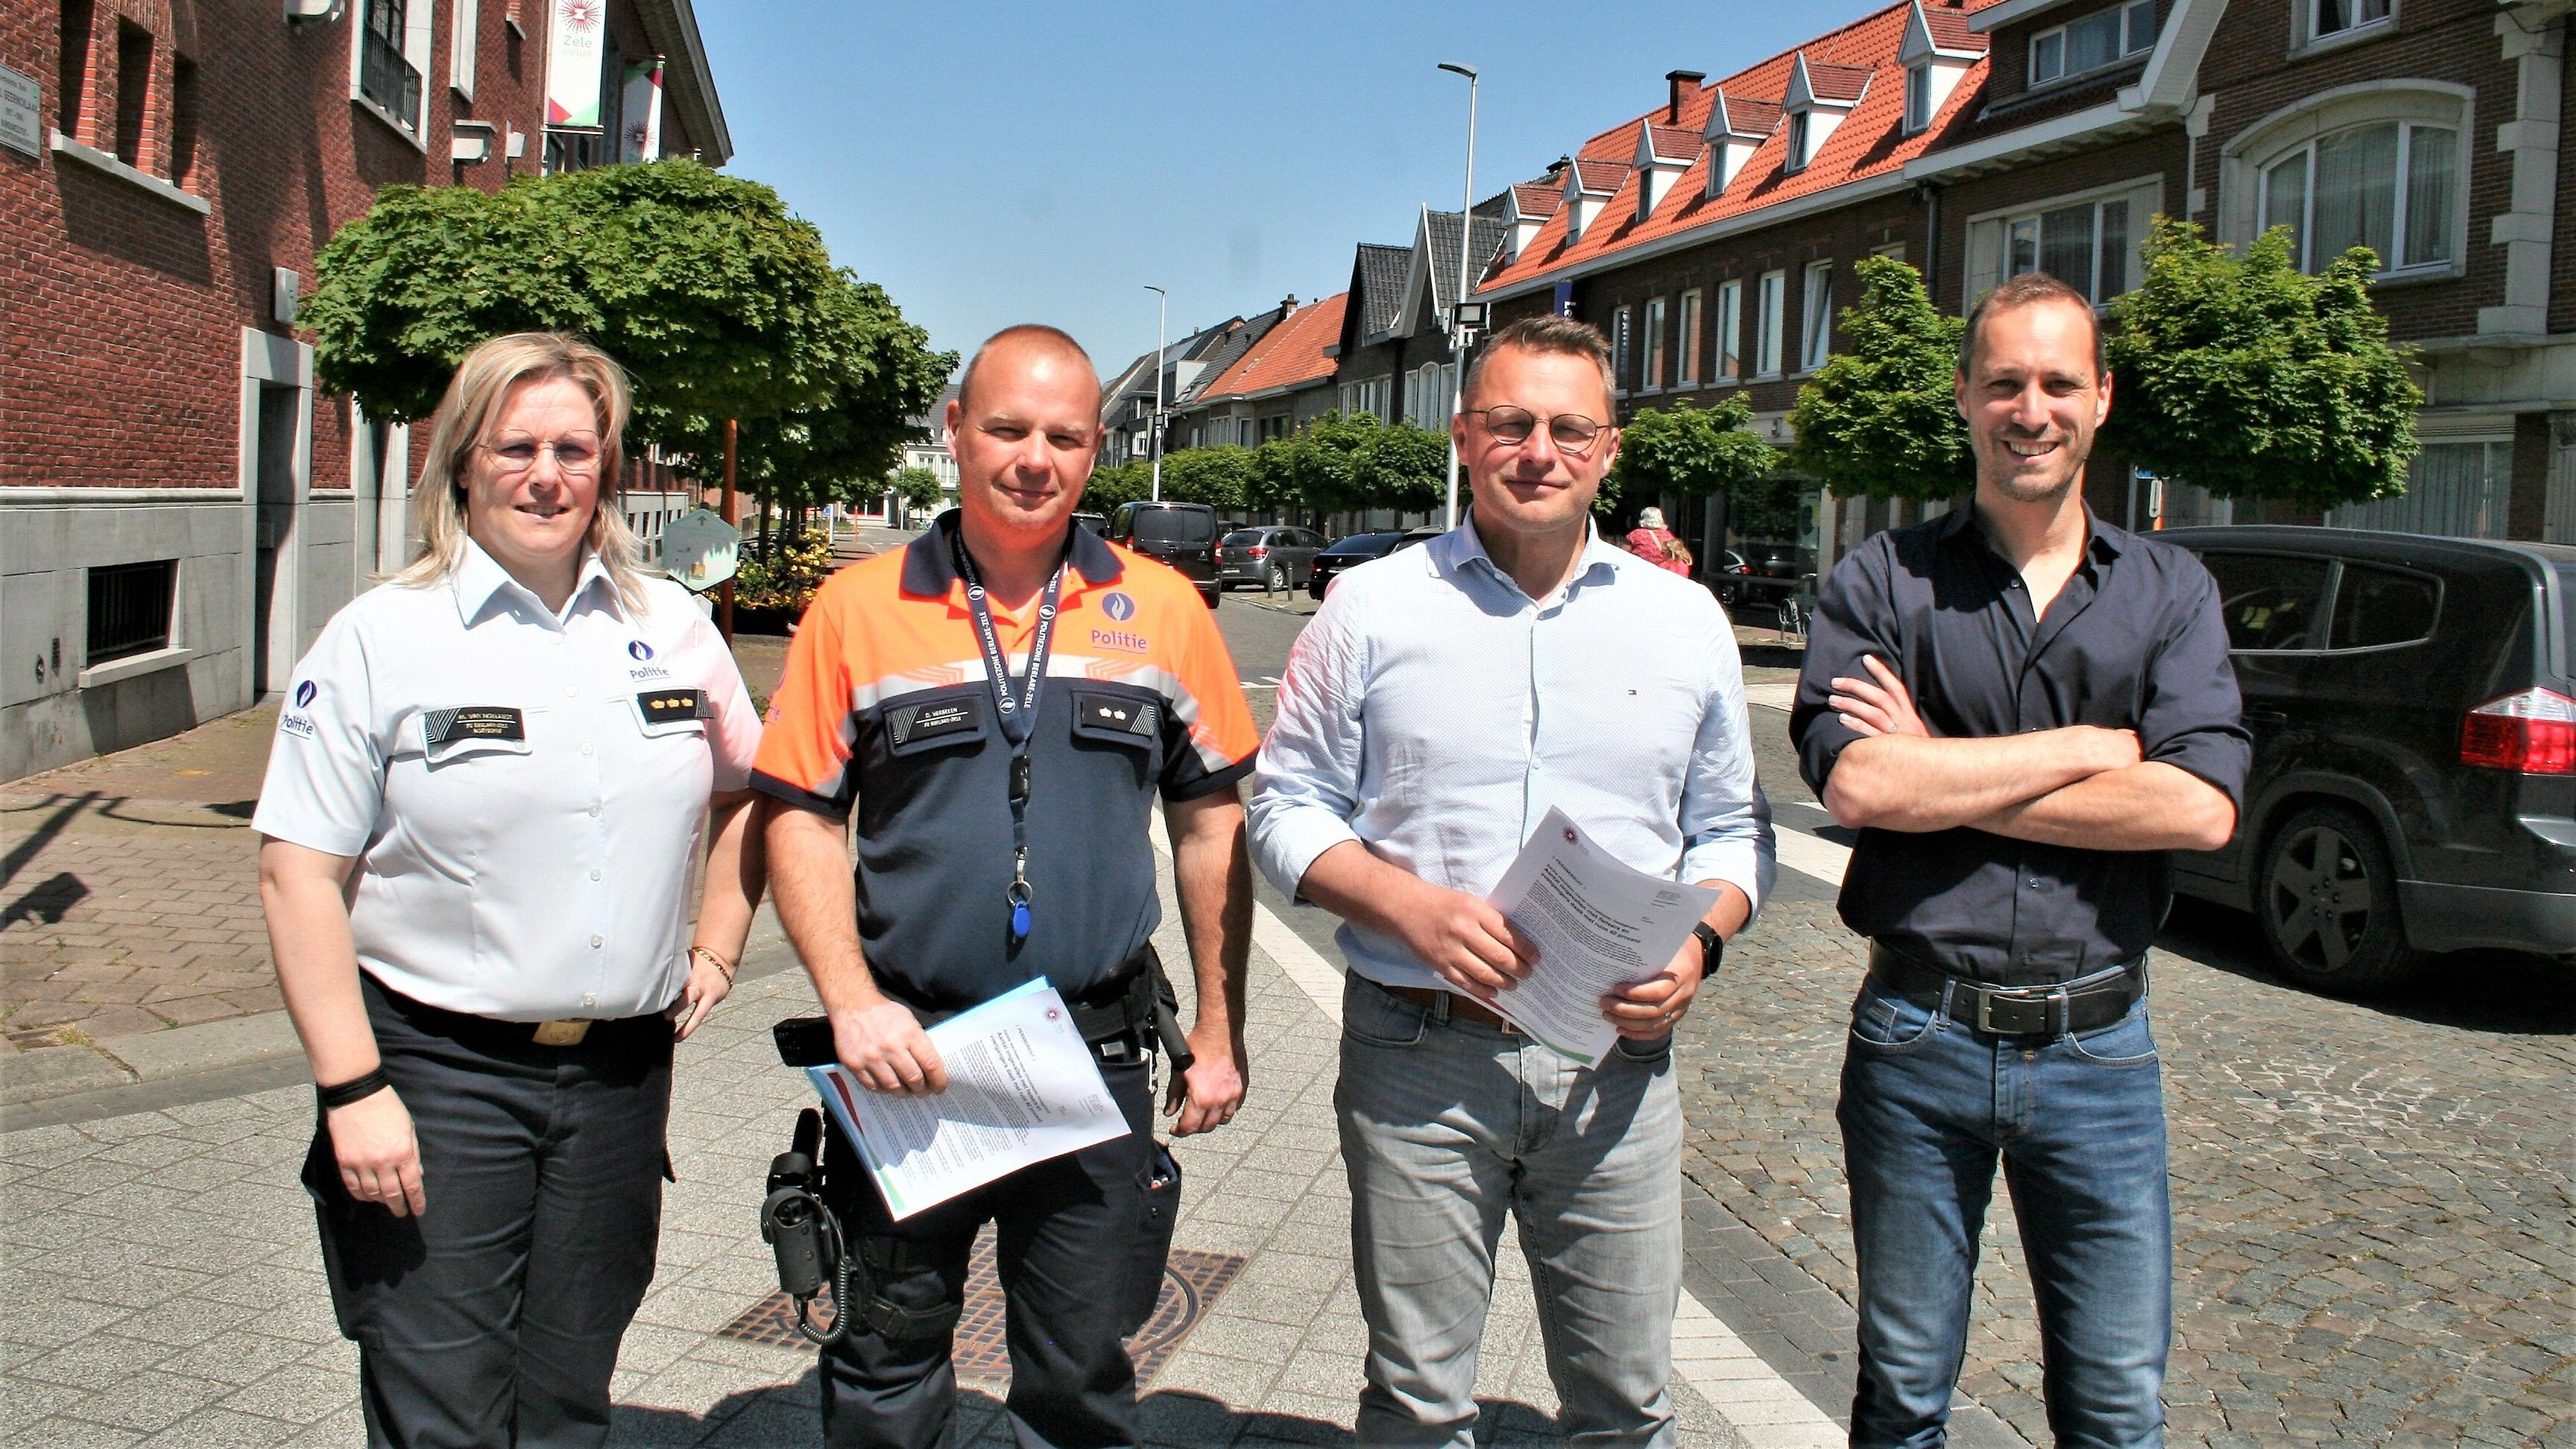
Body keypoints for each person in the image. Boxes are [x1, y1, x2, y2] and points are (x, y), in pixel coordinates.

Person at [1251, 315, 1776, 1446]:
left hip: (1614, 1068)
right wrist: (1406, 906)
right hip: (1419, 1053)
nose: (1539, 451)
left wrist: (1700, 942)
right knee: (1417, 1402)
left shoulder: (1685, 621)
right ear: (1463, 436)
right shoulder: (1372, 606)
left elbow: (1732, 829)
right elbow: (1284, 807)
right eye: (1511, 423)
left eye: (1569, 429)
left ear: (1609, 450)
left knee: (1626, 1405)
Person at [254, 331, 767, 1446]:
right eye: (516, 447)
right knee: (442, 1406)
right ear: (463, 463)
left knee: (567, 1397)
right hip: (439, 1076)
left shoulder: (672, 626)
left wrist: (720, 944)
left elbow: (749, 794)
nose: (547, 475)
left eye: (574, 450)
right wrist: (352, 1088)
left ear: (607, 469)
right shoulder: (381, 637)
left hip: (621, 1080)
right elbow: (298, 871)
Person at [753, 324, 1261, 1449]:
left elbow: (1210, 822)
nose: (1035, 459)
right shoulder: (857, 608)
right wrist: (849, 1001)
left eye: (1064, 438)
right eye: (1008, 429)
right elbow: (800, 814)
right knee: (884, 1362)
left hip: (1092, 1055)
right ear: (956, 431)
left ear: (1095, 450)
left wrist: (1220, 1031)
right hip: (909, 1052)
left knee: (1081, 1374)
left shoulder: (1164, 608)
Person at [1789, 273, 2247, 1448]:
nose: (2029, 410)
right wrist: (2093, 750)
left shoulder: (2170, 591)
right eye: (2004, 384)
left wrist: (1944, 772)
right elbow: (1860, 784)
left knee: (2115, 1407)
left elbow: (2199, 809)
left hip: (2101, 1050)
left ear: (2102, 397)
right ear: (1964, 396)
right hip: (1917, 1037)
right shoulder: (1884, 580)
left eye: (2056, 383)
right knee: (1903, 1394)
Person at [1623, 505, 1689, 575]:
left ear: (1643, 519)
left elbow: (1622, 554)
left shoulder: (1636, 534)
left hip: (1641, 573)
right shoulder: (1669, 536)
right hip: (1664, 574)